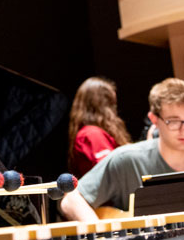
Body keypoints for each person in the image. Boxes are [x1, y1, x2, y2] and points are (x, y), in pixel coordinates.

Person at [60, 77, 184, 221]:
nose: (183, 130)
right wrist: (104, 236)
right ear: (154, 119)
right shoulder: (127, 159)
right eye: (173, 121)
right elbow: (71, 200)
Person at [68, 77, 131, 178]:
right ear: (103, 106)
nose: (114, 111)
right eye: (112, 105)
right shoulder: (92, 134)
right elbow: (112, 171)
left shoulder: (93, 133)